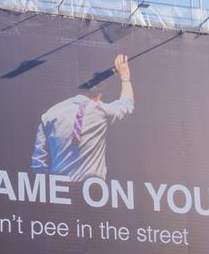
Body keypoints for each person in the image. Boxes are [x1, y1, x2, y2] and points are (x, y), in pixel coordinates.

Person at [30, 53, 134, 182]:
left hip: (58, 195)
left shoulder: (50, 115)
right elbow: (127, 105)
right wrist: (125, 77)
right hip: (93, 195)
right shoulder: (101, 110)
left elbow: (38, 164)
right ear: (100, 94)